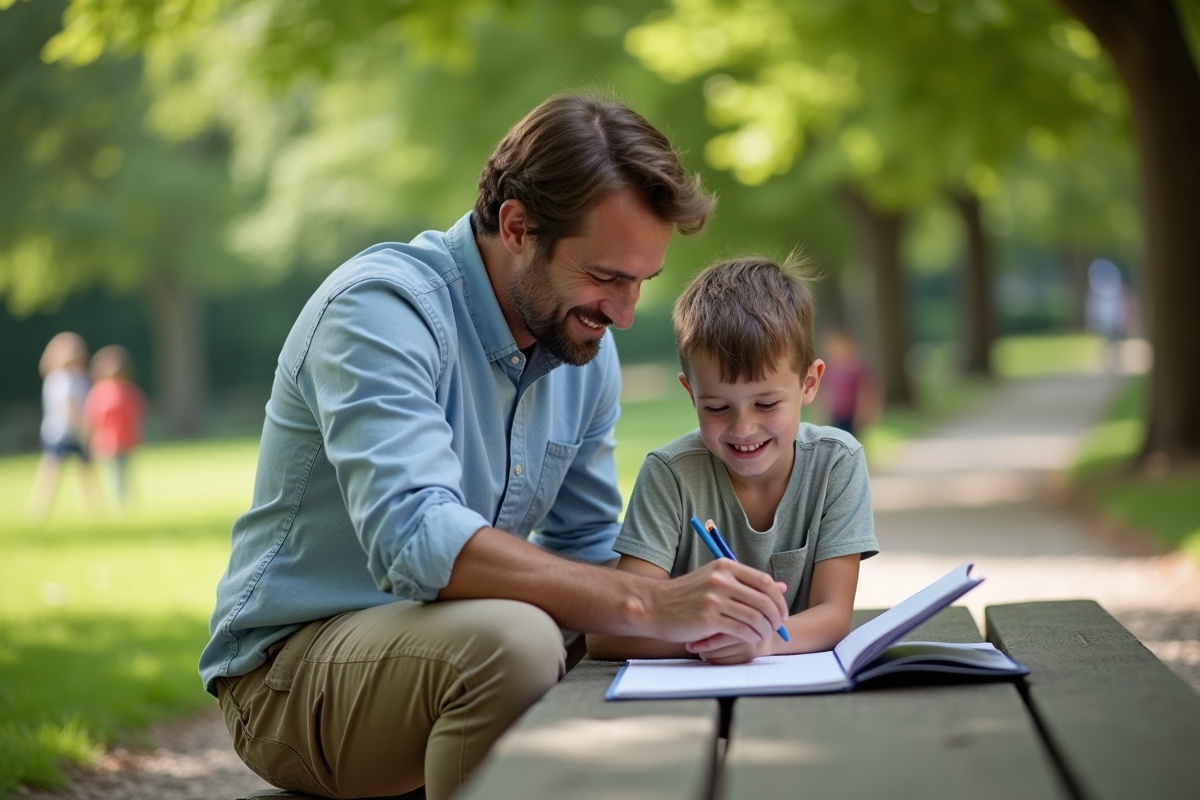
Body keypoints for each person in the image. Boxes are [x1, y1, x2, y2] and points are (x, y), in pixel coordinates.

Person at [201, 93, 791, 800]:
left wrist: (718, 611)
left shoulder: (583, 350)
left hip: (442, 644)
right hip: (290, 677)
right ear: (517, 226)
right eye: (605, 277)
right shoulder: (380, 310)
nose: (625, 315)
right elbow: (415, 539)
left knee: (632, 639)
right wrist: (645, 604)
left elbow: (587, 549)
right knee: (517, 643)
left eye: (641, 283)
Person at [587, 257, 879, 664]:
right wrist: (713, 637)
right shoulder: (670, 476)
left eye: (766, 403)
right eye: (718, 408)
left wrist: (763, 642)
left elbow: (833, 616)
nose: (743, 429)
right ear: (691, 394)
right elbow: (607, 636)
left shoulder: (837, 463)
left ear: (809, 383)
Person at [27, 332, 100, 521]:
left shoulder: (75, 377)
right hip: (63, 433)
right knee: (53, 473)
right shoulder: (62, 378)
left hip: (67, 432)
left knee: (84, 473)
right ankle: (39, 512)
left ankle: (92, 511)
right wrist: (84, 430)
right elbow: (70, 408)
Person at [85, 345, 147, 507]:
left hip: (125, 439)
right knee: (115, 473)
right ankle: (120, 502)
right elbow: (93, 418)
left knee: (123, 472)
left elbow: (137, 415)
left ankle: (124, 501)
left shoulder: (129, 391)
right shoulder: (99, 392)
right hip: (107, 442)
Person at [820, 327, 878, 437]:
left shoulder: (857, 366)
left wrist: (863, 413)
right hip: (835, 415)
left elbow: (865, 392)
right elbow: (827, 392)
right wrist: (824, 411)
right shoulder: (830, 368)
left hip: (851, 415)